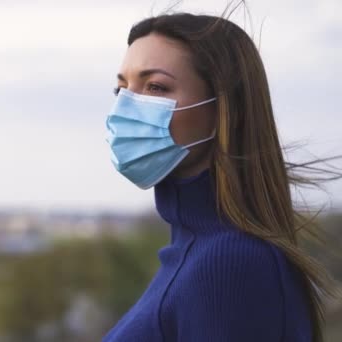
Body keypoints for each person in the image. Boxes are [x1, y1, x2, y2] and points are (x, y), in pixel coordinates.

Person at [103, 9, 341, 342]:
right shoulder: (191, 249)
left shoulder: (228, 264)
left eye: (155, 87)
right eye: (122, 89)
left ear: (223, 109)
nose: (126, 107)